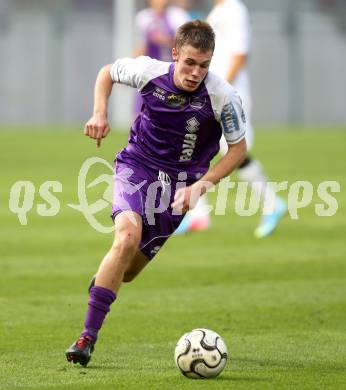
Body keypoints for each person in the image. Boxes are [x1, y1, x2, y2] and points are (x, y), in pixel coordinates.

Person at [65, 20, 247, 366]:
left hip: (178, 189)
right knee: (126, 238)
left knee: (128, 271)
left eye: (204, 65)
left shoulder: (223, 96)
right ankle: (86, 338)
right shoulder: (149, 72)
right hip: (138, 167)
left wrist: (200, 187)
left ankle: (105, 279)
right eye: (189, 62)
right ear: (175, 54)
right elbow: (107, 72)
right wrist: (99, 112)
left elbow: (237, 149)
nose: (195, 72)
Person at [176, 0, 287, 238]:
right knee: (197, 145)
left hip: (229, 94)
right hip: (219, 93)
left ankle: (270, 203)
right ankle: (199, 214)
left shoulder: (235, 10)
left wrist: (219, 91)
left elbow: (239, 55)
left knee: (225, 150)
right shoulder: (219, 11)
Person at [133, 0, 190, 114]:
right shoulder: (143, 18)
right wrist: (132, 66)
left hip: (171, 74)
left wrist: (166, 40)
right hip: (149, 72)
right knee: (141, 111)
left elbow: (187, 46)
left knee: (172, 112)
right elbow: (140, 47)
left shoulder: (178, 16)